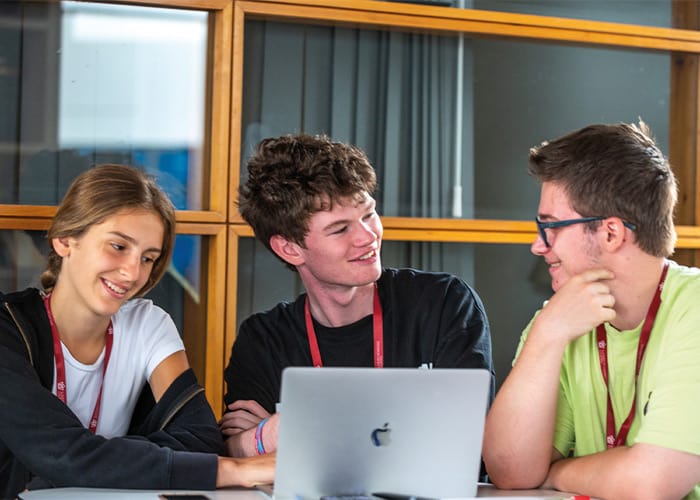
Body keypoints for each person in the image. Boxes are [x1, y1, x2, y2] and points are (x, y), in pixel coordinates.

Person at [0, 164, 274, 497]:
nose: (132, 273)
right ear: (65, 240)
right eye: (118, 246)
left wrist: (89, 463)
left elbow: (201, 440)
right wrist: (237, 470)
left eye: (148, 258)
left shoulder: (148, 324)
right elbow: (61, 453)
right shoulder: (6, 328)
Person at [220, 133, 494, 458]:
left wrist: (296, 430)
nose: (368, 237)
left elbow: (462, 438)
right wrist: (262, 438)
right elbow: (237, 451)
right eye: (340, 229)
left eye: (368, 214)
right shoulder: (263, 339)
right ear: (289, 248)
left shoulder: (444, 303)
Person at [482, 122, 700, 499]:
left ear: (611, 234)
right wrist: (546, 336)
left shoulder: (693, 309)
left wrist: (555, 473)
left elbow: (651, 484)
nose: (538, 245)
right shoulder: (561, 320)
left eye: (550, 227)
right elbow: (511, 472)